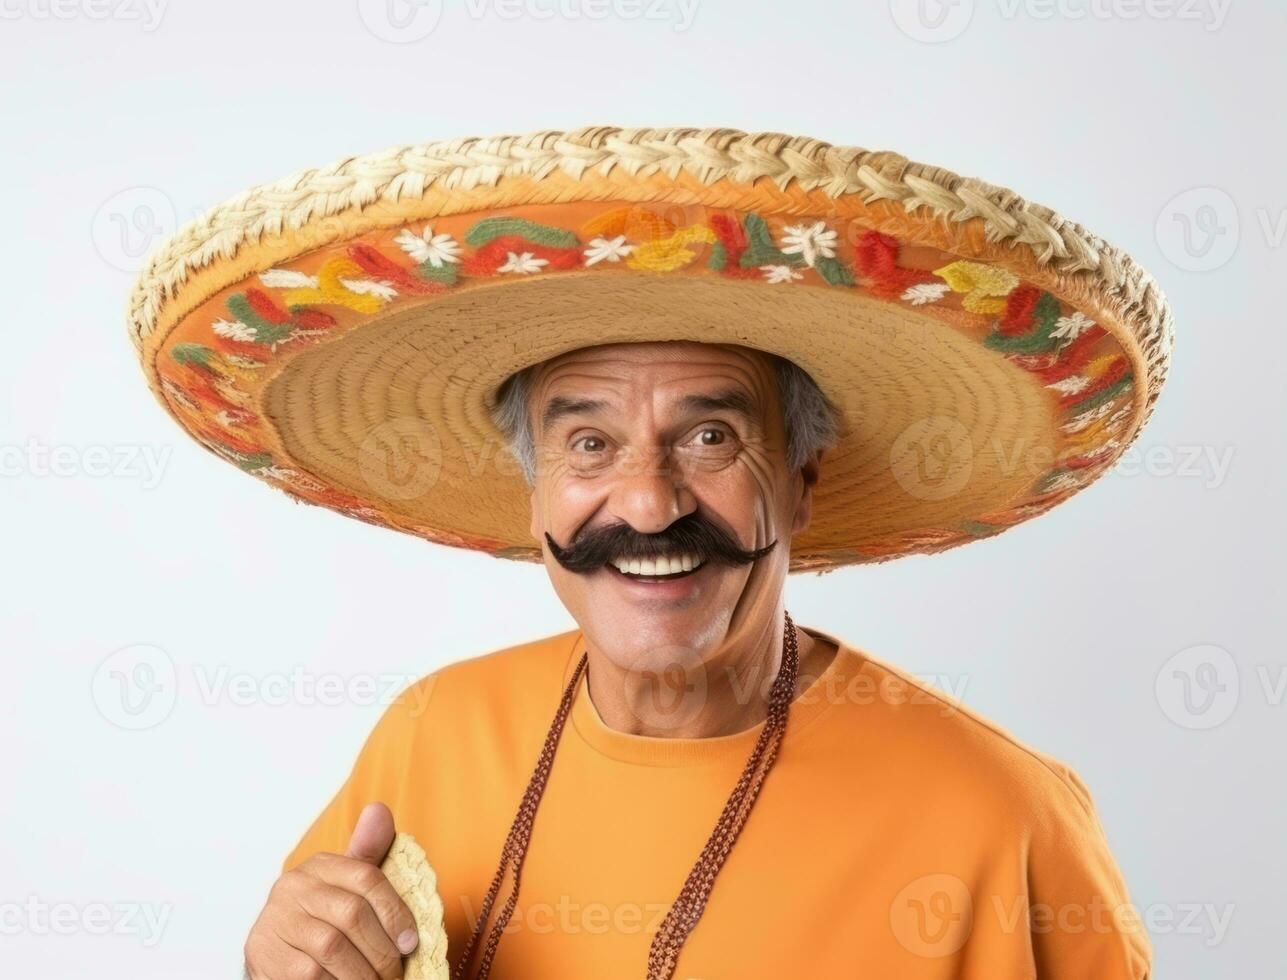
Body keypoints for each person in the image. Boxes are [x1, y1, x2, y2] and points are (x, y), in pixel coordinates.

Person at [127, 127, 1169, 979]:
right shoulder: (430, 735)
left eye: (710, 437)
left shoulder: (1001, 814)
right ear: (533, 490)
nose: (647, 499)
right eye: (588, 443)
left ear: (802, 475)